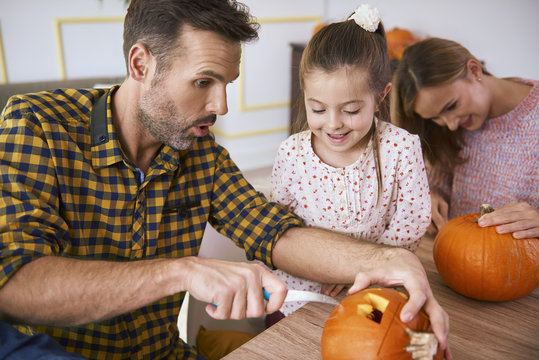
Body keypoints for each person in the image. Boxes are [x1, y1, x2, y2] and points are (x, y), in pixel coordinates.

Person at [0, 1, 450, 359]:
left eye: (228, 83)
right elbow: (14, 284)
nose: (222, 105)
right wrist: (182, 272)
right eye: (203, 82)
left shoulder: (202, 155)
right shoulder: (36, 125)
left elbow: (275, 232)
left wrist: (392, 261)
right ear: (141, 65)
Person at [268, 5, 431, 321]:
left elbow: (409, 224)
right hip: (303, 292)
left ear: (380, 97)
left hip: (374, 289)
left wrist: (360, 268)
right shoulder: (291, 153)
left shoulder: (401, 148)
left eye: (351, 111)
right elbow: (279, 226)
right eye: (317, 109)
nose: (333, 124)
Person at [391, 37, 538, 239]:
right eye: (435, 118)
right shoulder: (447, 128)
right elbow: (436, 185)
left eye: (451, 106)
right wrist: (430, 197)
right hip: (457, 261)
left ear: (474, 71)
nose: (451, 124)